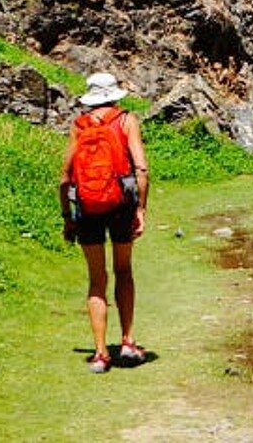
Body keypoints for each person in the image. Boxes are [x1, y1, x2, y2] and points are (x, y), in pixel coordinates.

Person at [60, 71, 151, 373]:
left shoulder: (78, 125)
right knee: (123, 270)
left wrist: (68, 217)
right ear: (115, 94)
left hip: (86, 206)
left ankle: (100, 354)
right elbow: (141, 169)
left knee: (96, 279)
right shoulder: (126, 121)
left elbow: (64, 179)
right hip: (120, 205)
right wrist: (140, 208)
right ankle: (127, 341)